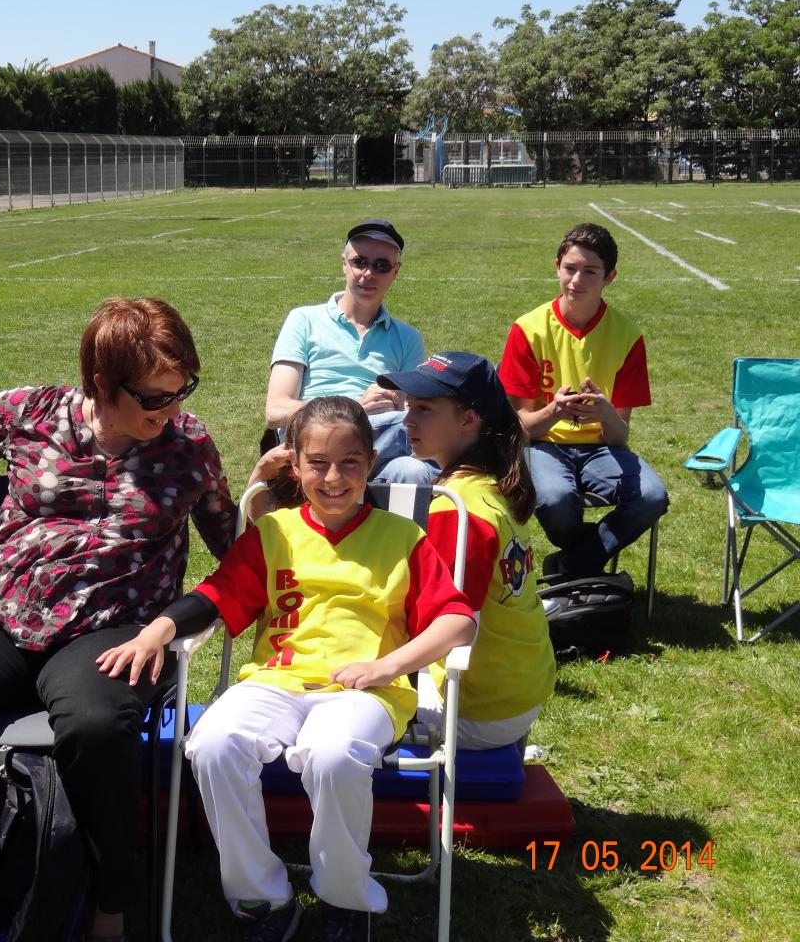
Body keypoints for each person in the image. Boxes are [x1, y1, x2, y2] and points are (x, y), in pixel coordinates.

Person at [0, 297, 275, 942]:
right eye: (153, 397)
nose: (170, 410)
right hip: (3, 613)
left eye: (180, 391)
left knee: (96, 726)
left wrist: (274, 495)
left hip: (118, 624)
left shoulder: (188, 445)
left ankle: (109, 911)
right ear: (101, 383)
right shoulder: (32, 411)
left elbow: (235, 546)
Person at [97, 396, 475, 942]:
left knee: (333, 754)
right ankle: (261, 899)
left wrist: (388, 665)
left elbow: (458, 622)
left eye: (349, 462)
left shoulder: (402, 538)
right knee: (213, 744)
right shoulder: (274, 532)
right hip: (276, 682)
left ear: (371, 462)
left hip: (363, 691)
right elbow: (218, 594)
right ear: (294, 465)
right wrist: (158, 629)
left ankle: (345, 899)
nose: (334, 478)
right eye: (317, 463)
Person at [378, 352, 556, 749]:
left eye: (424, 409)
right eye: (409, 406)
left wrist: (380, 668)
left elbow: (454, 629)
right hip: (518, 690)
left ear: (468, 419)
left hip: (477, 710)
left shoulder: (457, 509)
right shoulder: (493, 483)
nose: (407, 420)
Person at [498, 223, 669, 579]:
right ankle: (585, 563)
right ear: (557, 267)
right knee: (556, 499)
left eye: (590, 271)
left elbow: (619, 436)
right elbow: (519, 428)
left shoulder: (627, 336)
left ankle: (569, 566)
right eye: (570, 268)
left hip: (601, 450)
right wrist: (554, 410)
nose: (577, 280)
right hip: (542, 445)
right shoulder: (528, 329)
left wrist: (606, 413)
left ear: (610, 277)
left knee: (652, 497)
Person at [264, 218, 434, 483]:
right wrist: (354, 407)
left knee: (414, 470)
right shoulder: (304, 320)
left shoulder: (408, 338)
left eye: (381, 266)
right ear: (344, 264)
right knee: (431, 433)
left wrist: (399, 405)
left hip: (379, 444)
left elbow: (413, 410)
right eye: (359, 262)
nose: (368, 273)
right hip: (317, 440)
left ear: (395, 272)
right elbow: (275, 410)